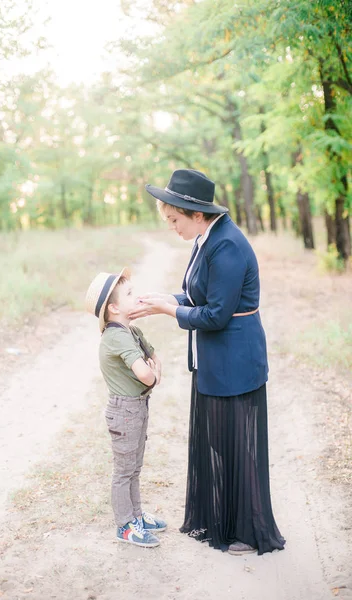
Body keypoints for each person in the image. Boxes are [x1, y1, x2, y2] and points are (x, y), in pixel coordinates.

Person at [129, 169, 285, 556]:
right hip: (216, 360)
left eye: (174, 220)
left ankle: (247, 531)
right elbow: (192, 293)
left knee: (237, 445)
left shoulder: (227, 244)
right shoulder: (206, 238)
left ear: (195, 213)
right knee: (218, 441)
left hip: (236, 360)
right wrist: (160, 301)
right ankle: (220, 521)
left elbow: (215, 314)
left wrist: (170, 311)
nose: (172, 227)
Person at [85, 268, 167, 548]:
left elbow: (154, 356)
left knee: (134, 468)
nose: (138, 295)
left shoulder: (131, 330)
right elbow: (146, 373)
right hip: (125, 410)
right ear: (114, 307)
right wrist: (153, 375)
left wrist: (153, 371)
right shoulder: (116, 337)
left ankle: (135, 515)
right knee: (124, 471)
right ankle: (125, 525)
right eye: (130, 293)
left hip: (138, 405)